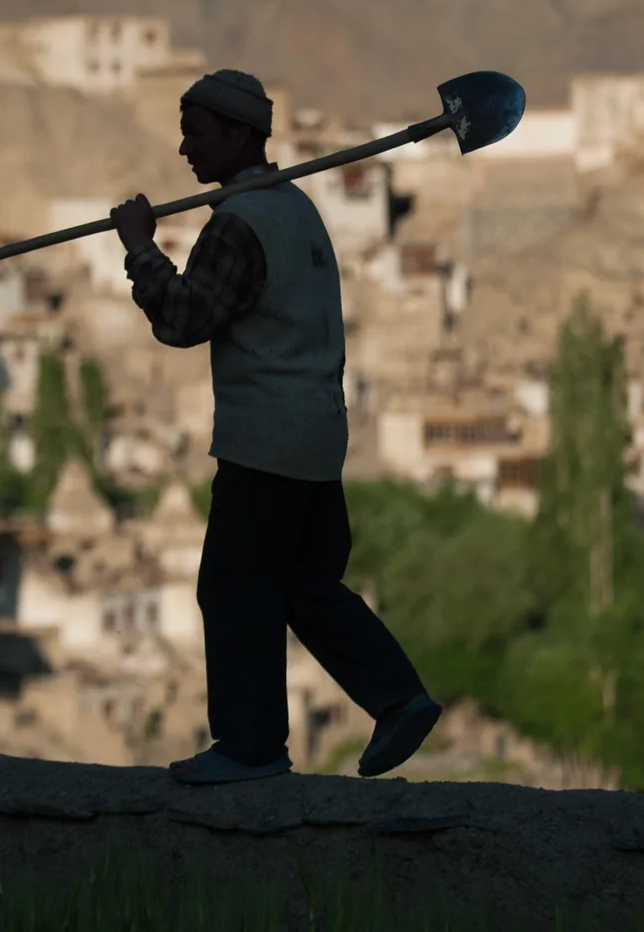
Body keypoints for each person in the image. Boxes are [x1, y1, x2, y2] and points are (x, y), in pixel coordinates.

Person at [112, 68, 443, 785]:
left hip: (265, 440)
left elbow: (183, 319)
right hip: (319, 438)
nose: (184, 150)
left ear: (239, 136)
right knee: (302, 583)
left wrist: (140, 247)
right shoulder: (296, 209)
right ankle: (399, 697)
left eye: (197, 134)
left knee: (233, 590)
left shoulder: (240, 223)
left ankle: (250, 749)